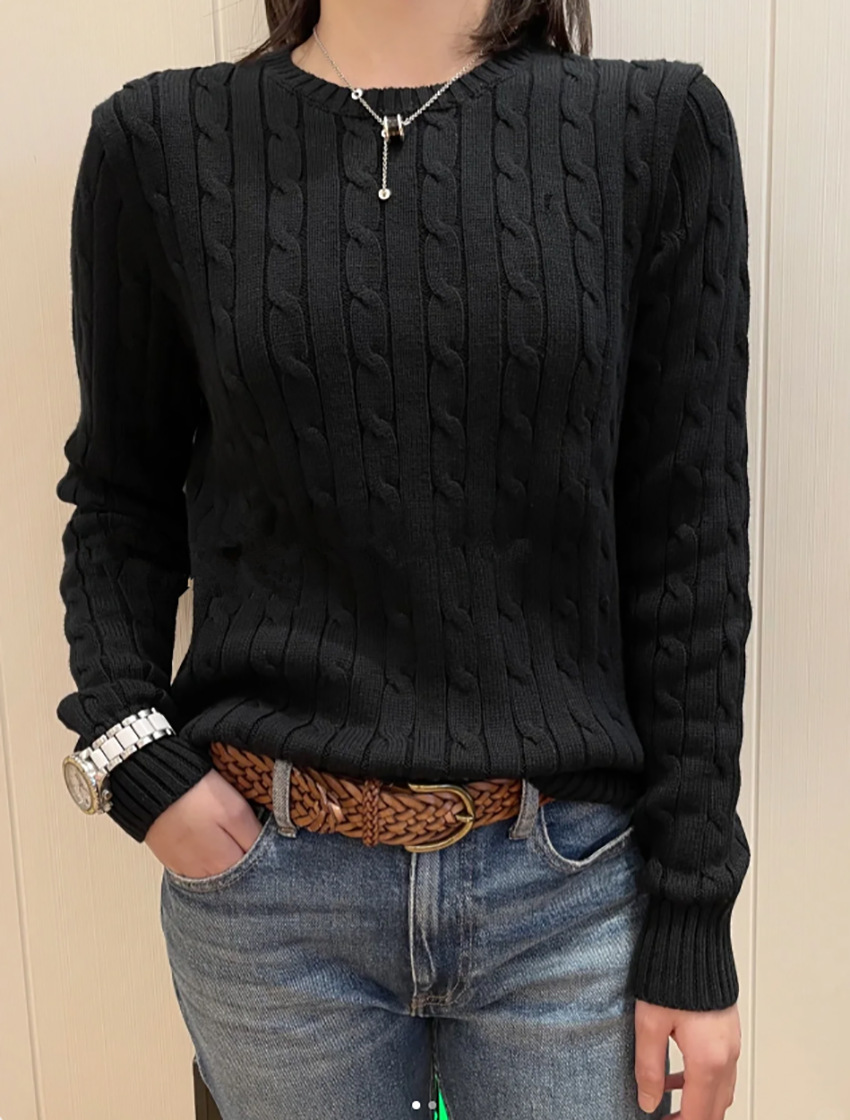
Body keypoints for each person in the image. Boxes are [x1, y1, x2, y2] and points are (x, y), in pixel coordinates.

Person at [55, 0, 752, 1117]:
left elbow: (690, 542)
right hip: (272, 897)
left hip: (570, 895)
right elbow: (119, 500)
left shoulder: (654, 130)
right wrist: (131, 753)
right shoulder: (159, 143)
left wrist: (693, 911)